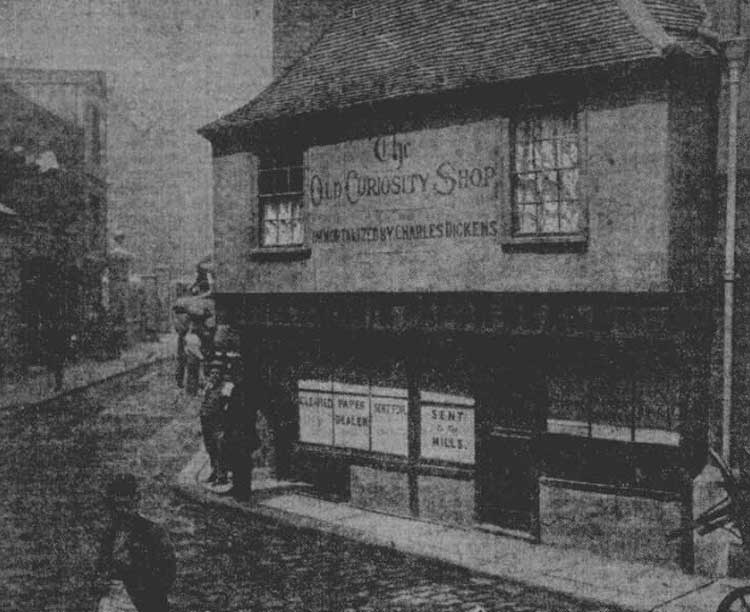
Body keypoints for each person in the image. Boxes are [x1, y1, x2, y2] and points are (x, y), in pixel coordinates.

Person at [96, 473, 176, 612]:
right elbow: (101, 568)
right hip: (113, 599)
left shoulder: (153, 533)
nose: (122, 510)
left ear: (136, 500)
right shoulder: (110, 533)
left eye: (126, 505)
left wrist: (134, 573)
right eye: (117, 506)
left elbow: (167, 575)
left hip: (143, 602)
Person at [220, 363, 259, 501]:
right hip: (235, 431)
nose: (234, 378)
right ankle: (237, 488)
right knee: (236, 460)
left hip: (243, 432)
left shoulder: (247, 391)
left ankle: (244, 492)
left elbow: (247, 413)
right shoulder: (237, 389)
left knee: (243, 462)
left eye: (235, 375)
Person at [200, 360, 229, 485]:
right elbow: (204, 402)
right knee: (210, 448)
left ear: (221, 375)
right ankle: (214, 472)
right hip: (207, 422)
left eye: (217, 373)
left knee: (220, 448)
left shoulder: (225, 388)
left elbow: (228, 406)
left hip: (219, 422)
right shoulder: (209, 386)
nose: (214, 376)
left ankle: (222, 475)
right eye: (212, 373)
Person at [184, 324, 203, 396]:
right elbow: (196, 349)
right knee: (195, 375)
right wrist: (201, 356)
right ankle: (194, 392)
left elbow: (186, 349)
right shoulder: (196, 338)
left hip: (189, 358)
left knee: (189, 375)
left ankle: (188, 391)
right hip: (195, 358)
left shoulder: (187, 336)